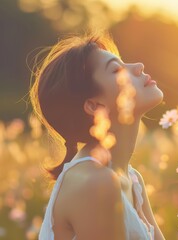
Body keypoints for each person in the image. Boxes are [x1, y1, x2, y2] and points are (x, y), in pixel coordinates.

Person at [29, 31, 165, 240]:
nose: (138, 66)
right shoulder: (96, 183)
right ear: (94, 106)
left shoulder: (131, 178)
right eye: (117, 70)